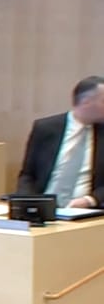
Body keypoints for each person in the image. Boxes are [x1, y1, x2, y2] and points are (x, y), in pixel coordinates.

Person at [16, 76, 104, 208]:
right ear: (86, 102)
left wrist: (90, 200)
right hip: (43, 207)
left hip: (87, 211)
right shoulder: (45, 128)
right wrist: (27, 203)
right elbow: (27, 175)